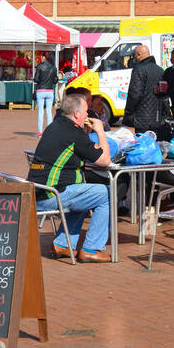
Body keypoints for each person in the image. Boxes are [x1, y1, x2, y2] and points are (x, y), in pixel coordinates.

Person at [29, 93, 114, 262]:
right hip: (51, 195)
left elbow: (80, 149)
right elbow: (105, 160)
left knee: (84, 191)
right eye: (86, 112)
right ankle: (91, 248)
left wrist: (86, 131)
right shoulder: (74, 133)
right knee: (107, 193)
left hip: (39, 190)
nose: (87, 115)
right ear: (76, 114)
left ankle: (62, 244)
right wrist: (100, 130)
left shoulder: (55, 126)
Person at [124, 44, 168, 136]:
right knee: (156, 145)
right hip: (157, 117)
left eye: (135, 55)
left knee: (143, 146)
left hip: (142, 119)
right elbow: (165, 96)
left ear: (139, 55)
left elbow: (134, 94)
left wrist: (128, 113)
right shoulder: (160, 70)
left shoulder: (138, 70)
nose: (134, 58)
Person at [33, 52, 58, 136]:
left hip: (40, 90)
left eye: (42, 56)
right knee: (49, 112)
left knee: (40, 112)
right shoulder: (53, 67)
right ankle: (49, 132)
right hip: (50, 91)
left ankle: (40, 132)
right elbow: (55, 80)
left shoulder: (39, 66)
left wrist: (39, 79)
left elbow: (36, 79)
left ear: (44, 57)